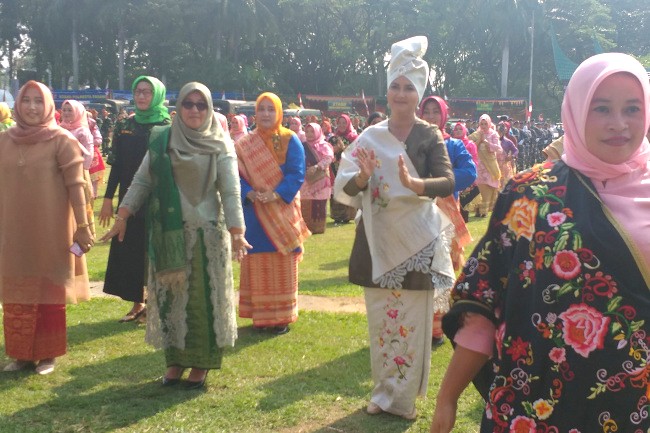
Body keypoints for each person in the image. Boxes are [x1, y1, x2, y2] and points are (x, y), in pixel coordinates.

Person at [430, 52, 650, 432]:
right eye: (601, 108)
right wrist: (447, 398)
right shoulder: (528, 195)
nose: (619, 123)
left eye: (632, 108)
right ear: (576, 111)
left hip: (633, 410)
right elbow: (484, 306)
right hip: (533, 407)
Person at [334, 36, 455, 420]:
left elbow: (447, 182)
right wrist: (363, 177)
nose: (401, 94)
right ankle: (382, 394)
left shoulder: (429, 135)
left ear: (418, 94)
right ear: (387, 91)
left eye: (409, 88)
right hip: (377, 242)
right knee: (382, 323)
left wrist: (416, 185)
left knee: (411, 325)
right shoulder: (370, 137)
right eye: (395, 86)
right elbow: (345, 188)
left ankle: (402, 402)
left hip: (418, 242)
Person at [101, 82, 246, 389]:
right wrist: (122, 215)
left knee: (200, 302)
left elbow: (231, 190)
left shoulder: (220, 142)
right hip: (168, 233)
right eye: (188, 104)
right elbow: (142, 181)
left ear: (209, 109)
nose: (194, 110)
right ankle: (175, 361)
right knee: (171, 301)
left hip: (205, 236)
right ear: (178, 107)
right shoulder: (163, 138)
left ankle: (201, 364)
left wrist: (237, 231)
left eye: (201, 105)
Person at [0, 81, 93, 375]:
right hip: (12, 231)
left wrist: (82, 225)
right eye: (26, 100)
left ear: (48, 105)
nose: (31, 107)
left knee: (48, 293)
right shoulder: (4, 141)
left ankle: (47, 355)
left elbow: (76, 186)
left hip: (51, 230)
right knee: (16, 293)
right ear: (17, 105)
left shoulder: (61, 140)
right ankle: (21, 355)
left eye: (38, 101)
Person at [235, 92, 311, 335]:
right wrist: (247, 192)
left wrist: (276, 194)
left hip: (282, 214)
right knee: (258, 264)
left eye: (271, 109)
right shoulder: (245, 144)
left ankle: (281, 318)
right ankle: (260, 317)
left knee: (282, 265)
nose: (266, 114)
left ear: (279, 113)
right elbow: (235, 175)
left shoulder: (290, 139)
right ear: (255, 113)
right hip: (256, 216)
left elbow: (296, 174)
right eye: (261, 109)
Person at [99, 76, 171, 322]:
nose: (141, 96)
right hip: (128, 198)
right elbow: (117, 165)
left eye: (147, 92)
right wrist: (108, 198)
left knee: (155, 247)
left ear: (157, 95)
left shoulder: (167, 126)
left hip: (157, 197)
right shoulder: (124, 125)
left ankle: (155, 303)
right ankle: (137, 303)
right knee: (130, 247)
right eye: (138, 91)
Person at [418, 96, 476, 346]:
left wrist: (439, 181)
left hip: (446, 212)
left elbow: (470, 172)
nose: (431, 117)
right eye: (427, 111)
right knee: (419, 267)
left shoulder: (454, 145)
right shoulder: (412, 141)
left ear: (444, 116)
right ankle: (417, 325)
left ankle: (437, 329)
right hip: (418, 212)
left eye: (436, 112)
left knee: (442, 269)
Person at [299, 122, 334, 234]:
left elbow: (328, 158)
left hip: (320, 180)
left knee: (319, 203)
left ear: (318, 132)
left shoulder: (324, 145)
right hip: (306, 180)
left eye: (312, 131)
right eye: (307, 131)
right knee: (305, 202)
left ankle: (317, 228)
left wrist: (316, 166)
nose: (309, 134)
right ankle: (305, 228)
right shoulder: (302, 145)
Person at [469, 114, 502, 217]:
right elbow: (469, 147)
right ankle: (479, 210)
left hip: (490, 166)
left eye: (485, 124)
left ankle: (484, 211)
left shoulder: (493, 134)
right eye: (481, 124)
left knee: (489, 187)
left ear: (489, 124)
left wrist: (487, 143)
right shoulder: (475, 135)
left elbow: (499, 149)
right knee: (480, 188)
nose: (483, 126)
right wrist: (479, 141)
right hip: (479, 166)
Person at [496, 120, 519, 188]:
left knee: (504, 184)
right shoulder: (493, 141)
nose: (499, 134)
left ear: (503, 132)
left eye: (500, 132)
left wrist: (512, 156)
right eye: (497, 132)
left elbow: (516, 150)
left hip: (504, 165)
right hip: (494, 165)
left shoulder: (508, 141)